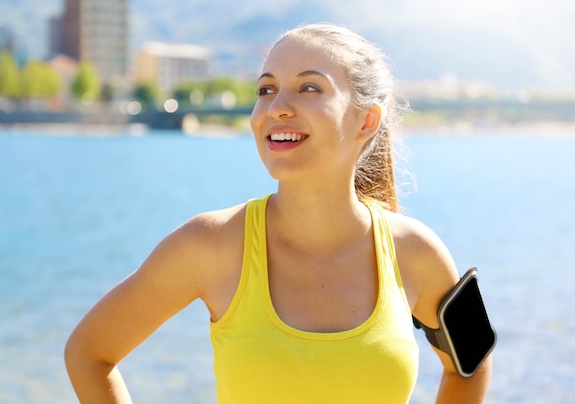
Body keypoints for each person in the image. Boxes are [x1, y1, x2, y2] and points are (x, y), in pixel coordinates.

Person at [65, 23, 493, 403]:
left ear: (366, 120)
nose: (276, 107)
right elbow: (89, 354)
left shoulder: (418, 250)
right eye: (266, 89)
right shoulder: (207, 244)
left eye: (309, 88)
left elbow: (472, 361)